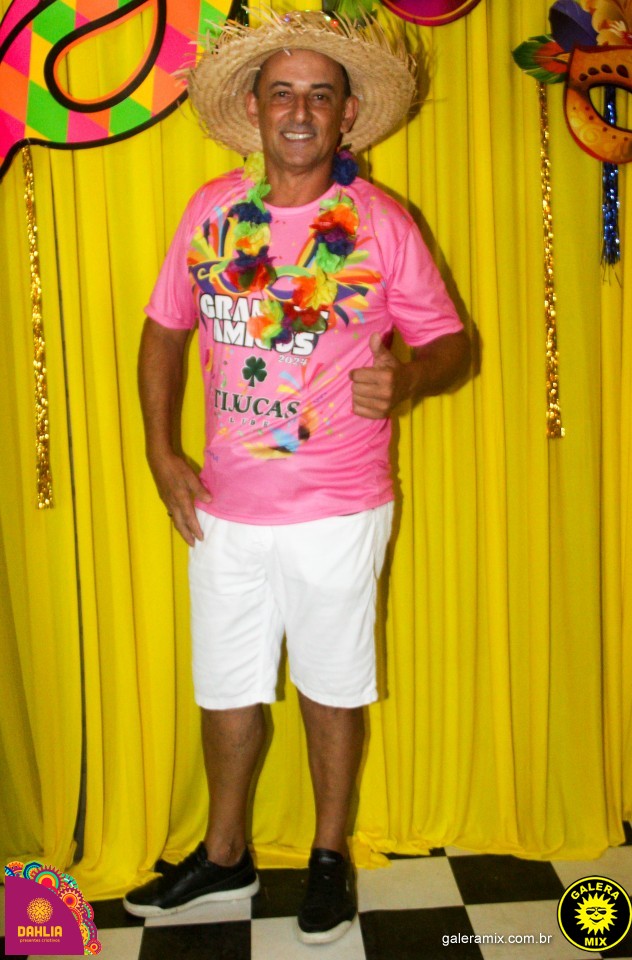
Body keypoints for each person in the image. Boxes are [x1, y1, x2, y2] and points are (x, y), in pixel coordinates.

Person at [123, 9, 470, 945]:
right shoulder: (209, 212)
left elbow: (452, 343)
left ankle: (327, 857)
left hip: (337, 507)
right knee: (225, 686)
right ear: (254, 107)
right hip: (224, 508)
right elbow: (163, 330)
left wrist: (410, 379)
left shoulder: (382, 223)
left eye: (321, 95)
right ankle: (225, 856)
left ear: (347, 114)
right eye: (284, 93)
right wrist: (161, 452)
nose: (302, 111)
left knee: (331, 682)